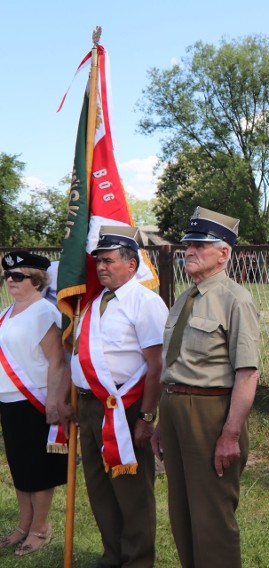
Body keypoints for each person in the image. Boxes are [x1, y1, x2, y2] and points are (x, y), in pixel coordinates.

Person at [152, 207, 260, 568]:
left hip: (210, 413)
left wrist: (230, 434)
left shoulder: (235, 299)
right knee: (181, 509)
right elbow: (172, 367)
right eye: (187, 245)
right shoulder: (185, 298)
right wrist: (159, 422)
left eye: (199, 245)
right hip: (174, 407)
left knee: (211, 513)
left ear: (224, 253)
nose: (189, 251)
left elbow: (247, 374)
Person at [65, 226, 167, 568]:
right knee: (100, 488)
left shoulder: (146, 302)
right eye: (98, 262)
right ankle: (113, 555)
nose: (101, 268)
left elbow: (157, 366)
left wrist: (147, 417)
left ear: (132, 264)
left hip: (127, 408)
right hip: (91, 407)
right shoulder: (93, 303)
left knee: (132, 492)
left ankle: (138, 560)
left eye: (108, 261)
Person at [0, 251, 67, 556]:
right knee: (19, 466)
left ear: (37, 280)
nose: (10, 281)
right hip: (9, 399)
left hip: (35, 400)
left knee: (37, 468)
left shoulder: (45, 312)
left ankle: (40, 527)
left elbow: (57, 362)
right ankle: (22, 526)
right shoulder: (6, 312)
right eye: (7, 276)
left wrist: (54, 401)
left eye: (18, 276)